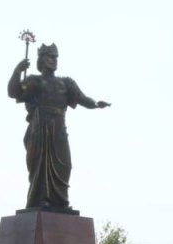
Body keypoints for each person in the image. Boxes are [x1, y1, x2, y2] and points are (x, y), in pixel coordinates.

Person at [7, 43, 110, 210]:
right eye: (50, 56)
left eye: (56, 57)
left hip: (59, 129)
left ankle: (61, 201)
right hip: (39, 129)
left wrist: (96, 104)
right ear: (41, 59)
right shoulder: (34, 81)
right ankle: (42, 200)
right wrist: (17, 71)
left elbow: (83, 98)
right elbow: (14, 92)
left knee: (65, 164)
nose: (54, 60)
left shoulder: (66, 83)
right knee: (40, 165)